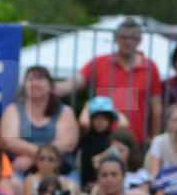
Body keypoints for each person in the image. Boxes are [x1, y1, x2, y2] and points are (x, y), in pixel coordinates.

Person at [62, 17, 162, 145]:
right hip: (101, 139)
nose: (128, 42)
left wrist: (155, 138)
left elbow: (156, 107)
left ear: (140, 40)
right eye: (124, 37)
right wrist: (52, 87)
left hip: (135, 142)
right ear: (116, 38)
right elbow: (75, 81)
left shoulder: (150, 68)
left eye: (133, 38)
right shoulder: (99, 62)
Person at [0, 64, 78, 177]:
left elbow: (67, 144)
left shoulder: (65, 111)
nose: (34, 83)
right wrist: (43, 155)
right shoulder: (13, 110)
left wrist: (35, 159)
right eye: (30, 79)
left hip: (61, 171)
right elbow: (9, 141)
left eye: (40, 79)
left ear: (50, 86)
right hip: (20, 170)